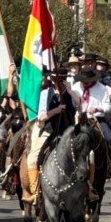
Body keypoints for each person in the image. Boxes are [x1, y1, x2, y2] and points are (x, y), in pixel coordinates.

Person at [23, 68, 79, 203]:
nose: (59, 82)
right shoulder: (45, 94)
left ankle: (88, 190)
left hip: (70, 131)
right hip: (50, 130)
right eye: (56, 79)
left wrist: (71, 92)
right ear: (53, 80)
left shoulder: (72, 93)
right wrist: (56, 110)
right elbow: (42, 117)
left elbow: (81, 106)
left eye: (62, 79)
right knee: (32, 157)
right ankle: (35, 192)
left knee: (88, 156)